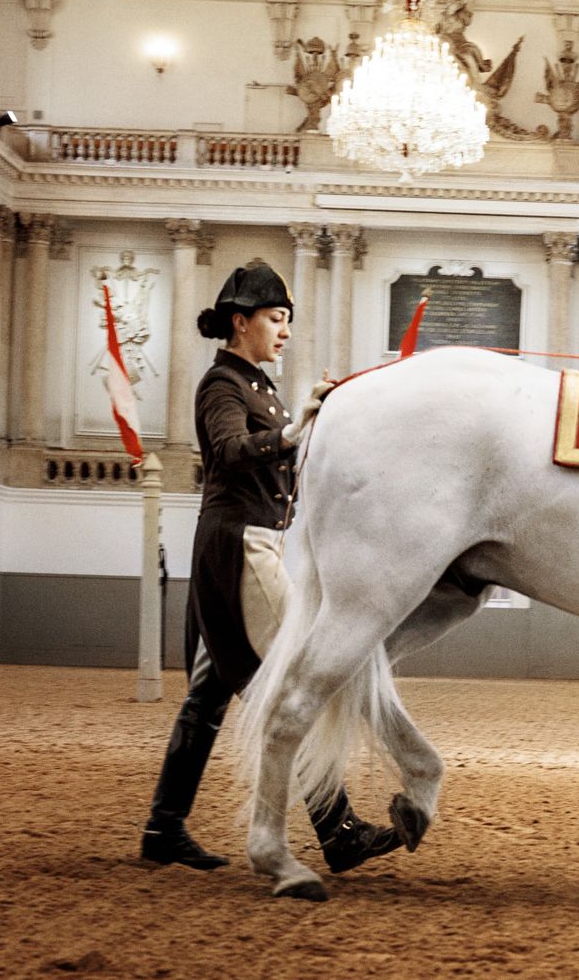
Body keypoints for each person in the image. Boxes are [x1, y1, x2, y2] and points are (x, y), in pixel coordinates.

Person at [140, 260, 400, 873]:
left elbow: (285, 452)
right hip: (241, 545)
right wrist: (291, 431)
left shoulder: (260, 385)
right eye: (276, 319)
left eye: (286, 321)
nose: (284, 331)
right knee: (297, 683)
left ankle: (163, 827)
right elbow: (231, 452)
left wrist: (321, 418)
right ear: (241, 321)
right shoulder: (221, 385)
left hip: (252, 543)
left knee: (207, 696)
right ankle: (336, 832)